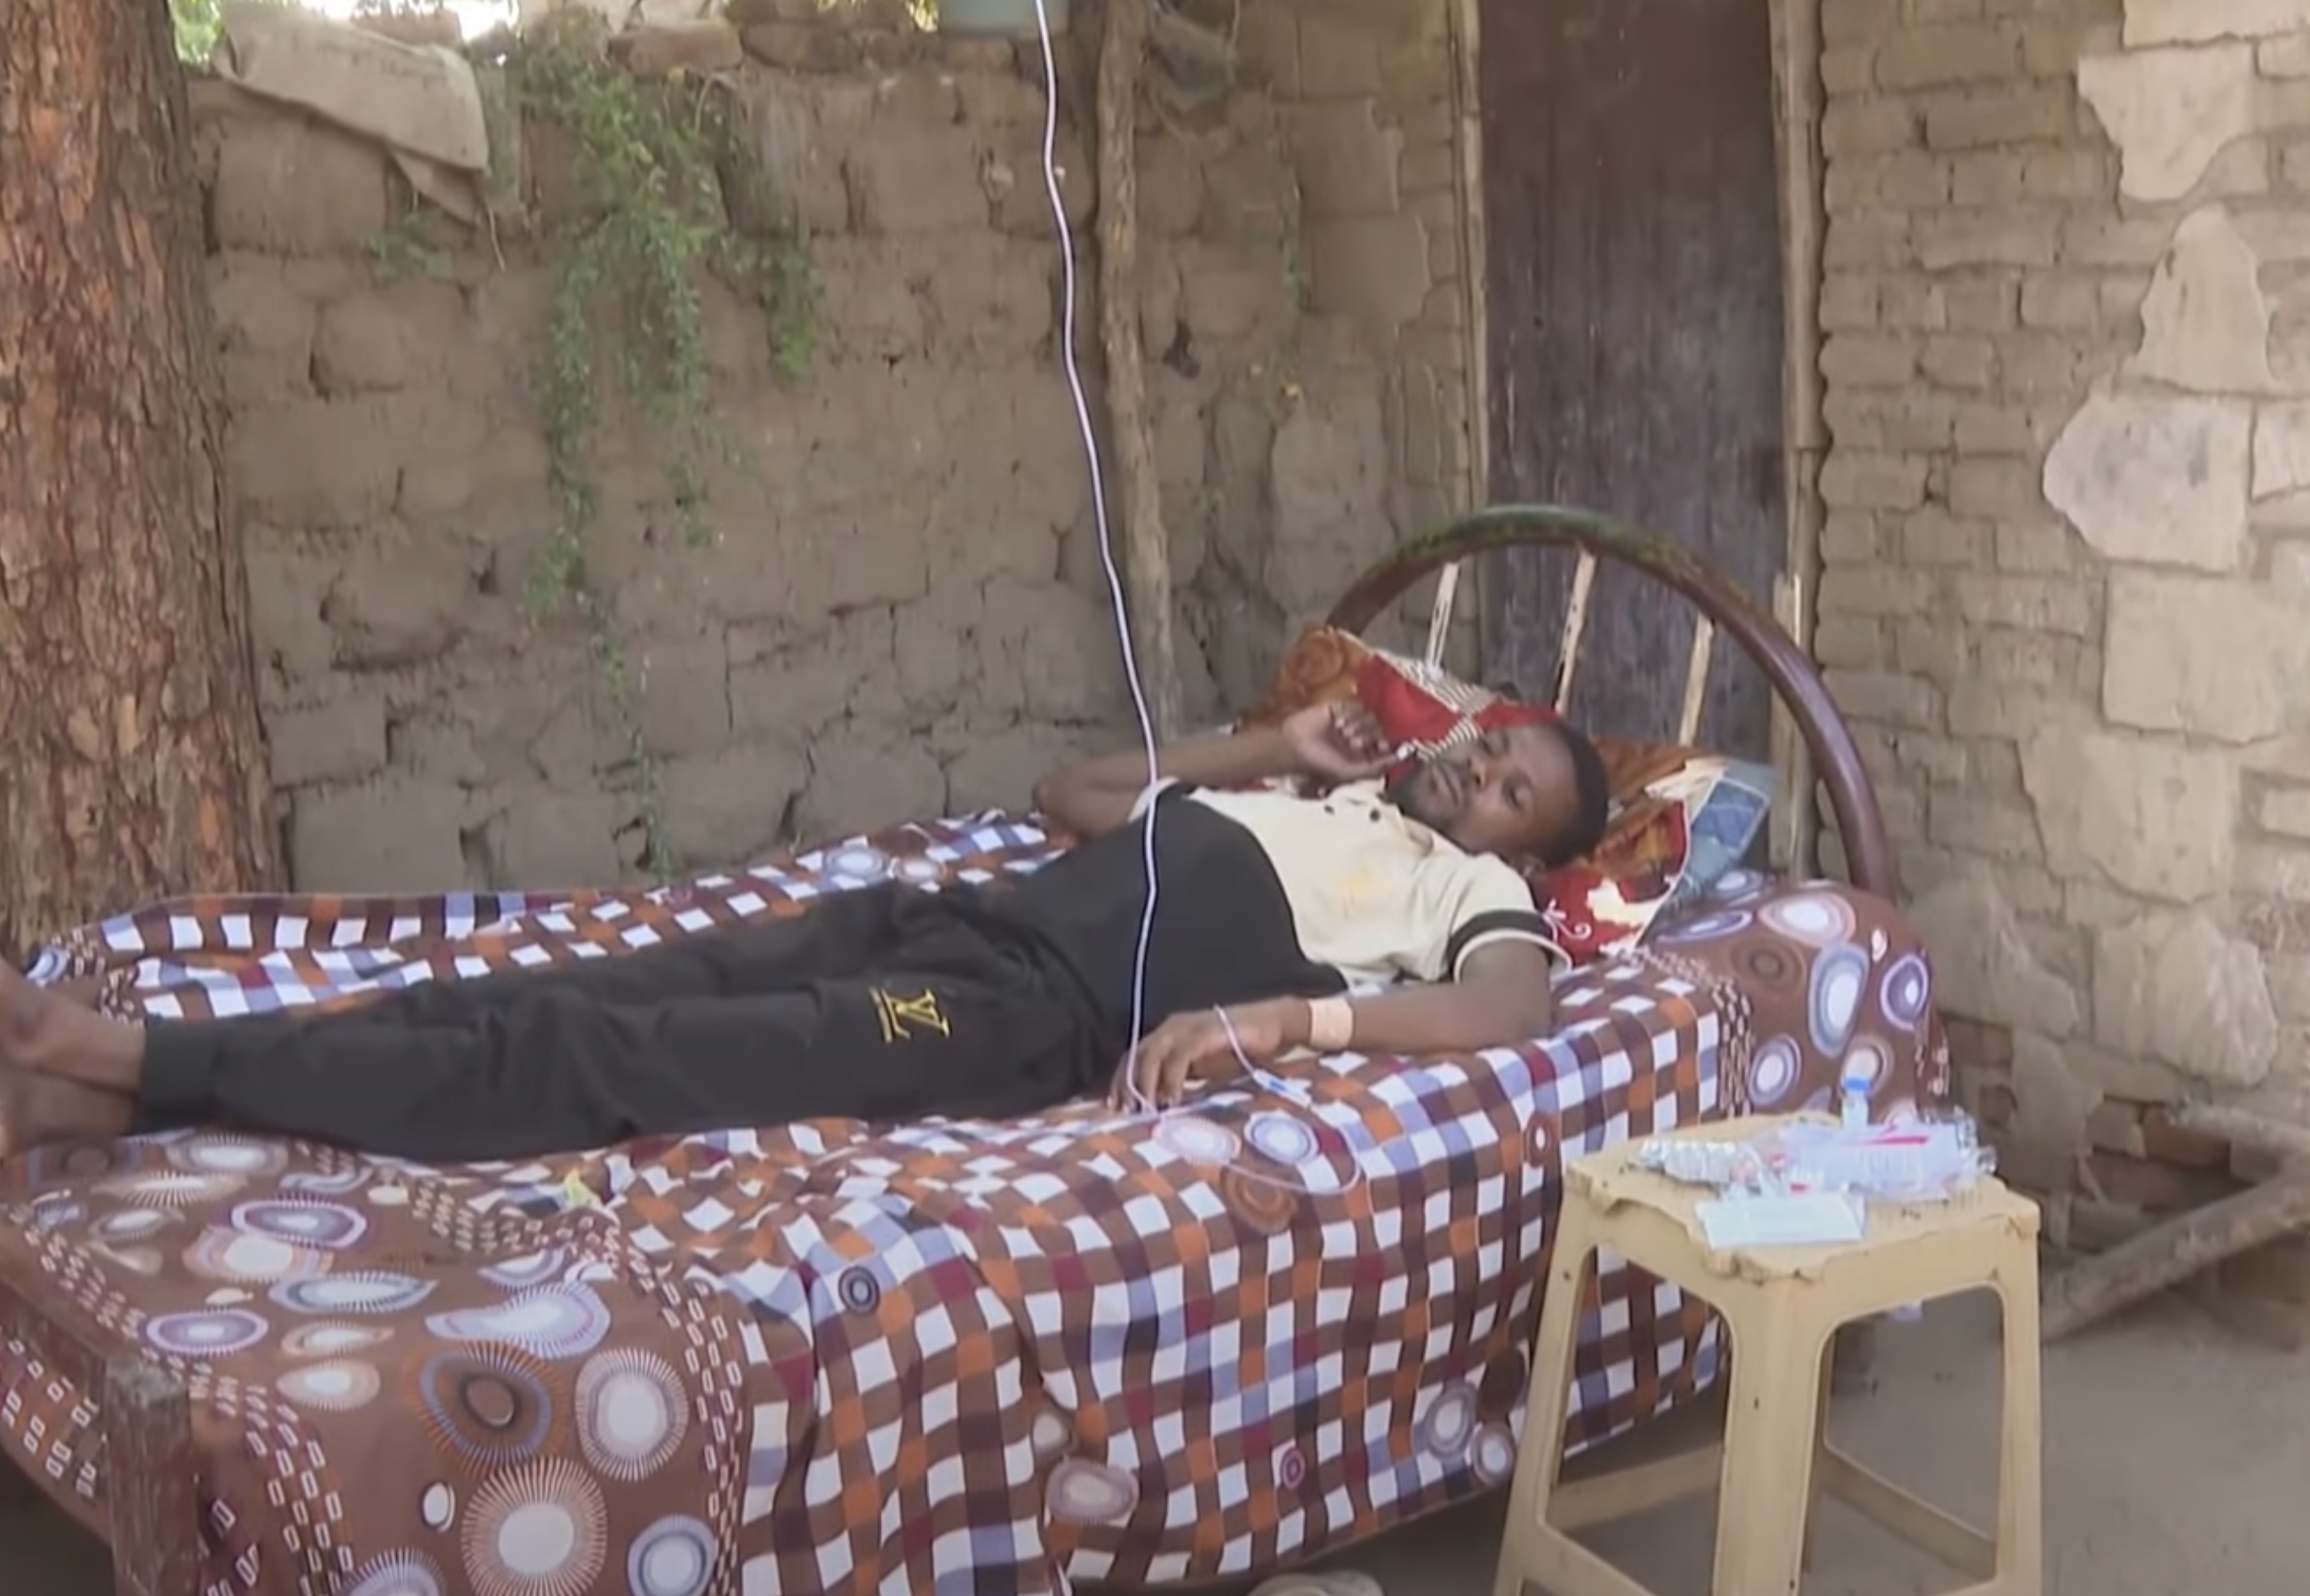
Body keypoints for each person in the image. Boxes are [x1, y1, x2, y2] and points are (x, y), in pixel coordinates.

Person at [0, 701, 1611, 1164]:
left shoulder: (1465, 898)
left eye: (1520, 786)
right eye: (1494, 737)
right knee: (584, 974)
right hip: (947, 921)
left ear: (1530, 846)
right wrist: (1262, 753)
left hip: (993, 1025)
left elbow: (1511, 1022)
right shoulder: (1325, 805)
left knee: (624, 1051)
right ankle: (125, 1086)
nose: (1486, 766)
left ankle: (125, 1056)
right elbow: (1070, 786)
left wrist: (1280, 1027)